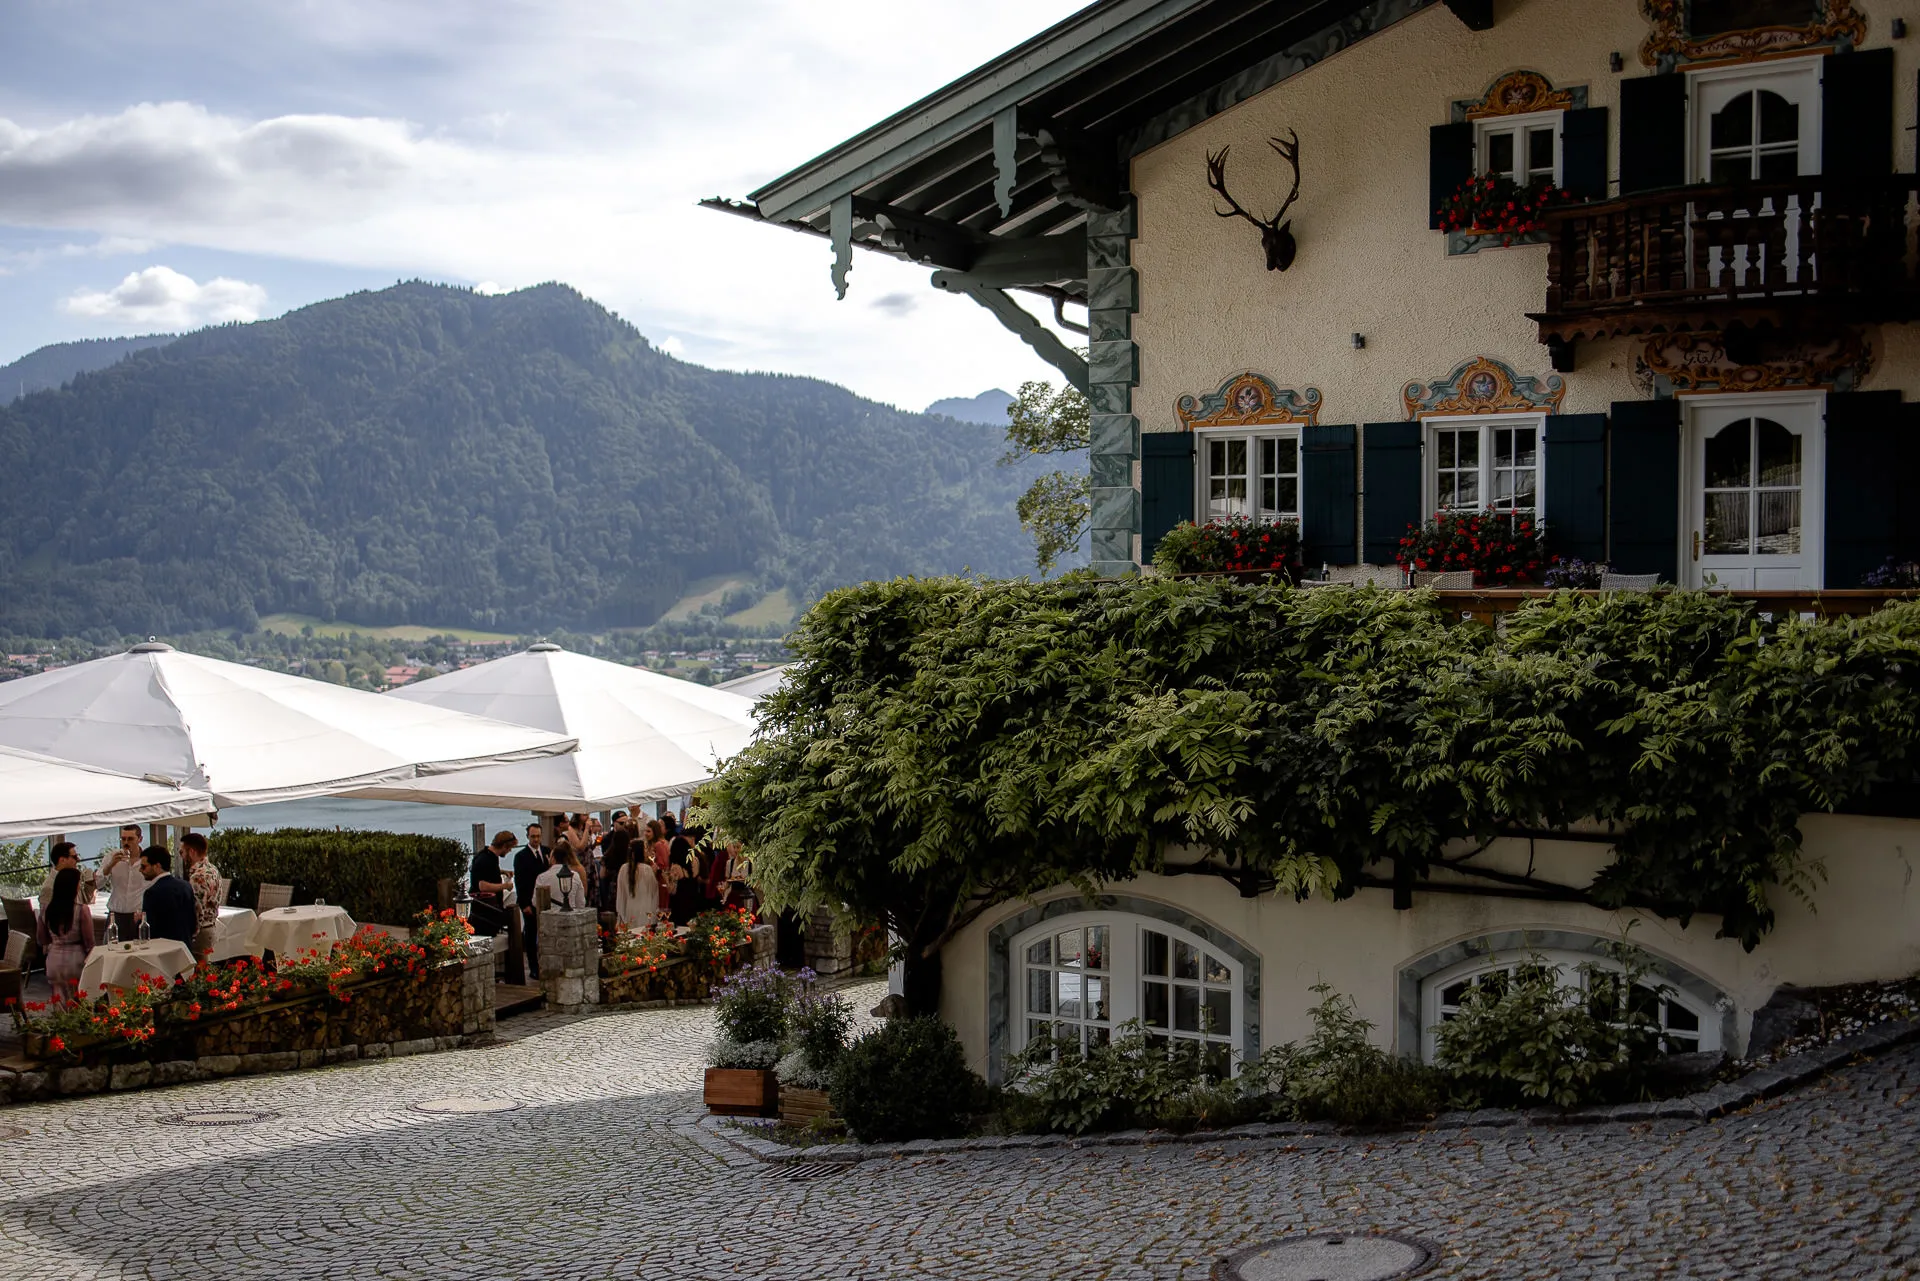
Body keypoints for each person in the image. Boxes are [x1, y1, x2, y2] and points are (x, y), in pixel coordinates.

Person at [36, 867, 95, 1005]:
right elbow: (89, 942)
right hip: (76, 959)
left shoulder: (46, 910)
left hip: (53, 960)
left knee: (58, 1000)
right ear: (74, 886)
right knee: (77, 1002)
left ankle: (61, 1024)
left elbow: (42, 939)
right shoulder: (81, 910)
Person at [138, 846, 196, 949]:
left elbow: (150, 929)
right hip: (185, 947)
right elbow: (193, 922)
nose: (140, 870)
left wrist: (139, 920)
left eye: (144, 867)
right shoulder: (185, 886)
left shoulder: (152, 892)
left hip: (163, 949)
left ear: (157, 866)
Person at [513, 822, 552, 973]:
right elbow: (520, 881)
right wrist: (524, 904)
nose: (536, 840)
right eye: (533, 836)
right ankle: (533, 967)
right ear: (527, 837)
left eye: (538, 836)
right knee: (530, 934)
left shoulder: (547, 851)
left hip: (545, 899)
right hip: (529, 900)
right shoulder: (521, 856)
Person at [181, 832, 222, 959]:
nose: (181, 857)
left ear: (191, 852)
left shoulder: (198, 877)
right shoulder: (213, 869)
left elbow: (197, 911)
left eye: (182, 852)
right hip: (211, 927)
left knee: (199, 973)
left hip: (201, 933)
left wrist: (191, 936)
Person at [101, 824, 146, 939]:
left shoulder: (146, 859)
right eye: (123, 839)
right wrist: (111, 865)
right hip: (116, 914)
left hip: (137, 915)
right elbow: (98, 883)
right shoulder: (111, 857)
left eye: (130, 839)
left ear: (140, 839)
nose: (126, 842)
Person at [468, 830, 515, 937]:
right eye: (509, 848)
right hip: (485, 909)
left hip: (488, 907)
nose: (510, 851)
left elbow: (486, 872)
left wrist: (502, 871)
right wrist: (505, 886)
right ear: (503, 846)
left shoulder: (487, 856)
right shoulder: (486, 860)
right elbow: (482, 886)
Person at [38, 842, 96, 912]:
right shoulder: (48, 887)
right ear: (62, 860)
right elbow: (46, 917)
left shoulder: (73, 878)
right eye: (74, 857)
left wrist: (90, 883)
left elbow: (84, 902)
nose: (78, 859)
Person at [615, 841, 659, 931]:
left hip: (629, 910)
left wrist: (621, 915)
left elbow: (620, 894)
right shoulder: (647, 870)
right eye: (645, 848)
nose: (647, 851)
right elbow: (654, 894)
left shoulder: (623, 869)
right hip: (645, 911)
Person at [535, 842, 590, 912]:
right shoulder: (575, 876)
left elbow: (536, 901)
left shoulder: (542, 878)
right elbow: (581, 903)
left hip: (550, 917)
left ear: (553, 859)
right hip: (571, 916)